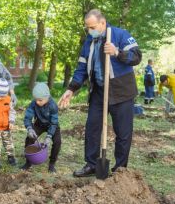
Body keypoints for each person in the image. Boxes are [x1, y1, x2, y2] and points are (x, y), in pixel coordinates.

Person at [58, 9, 142, 177]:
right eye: (87, 28)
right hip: (98, 91)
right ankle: (92, 164)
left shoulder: (120, 34)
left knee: (123, 132)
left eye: (93, 27)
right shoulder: (89, 42)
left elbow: (137, 57)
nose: (90, 31)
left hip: (121, 92)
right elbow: (81, 68)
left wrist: (117, 52)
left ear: (102, 23)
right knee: (92, 128)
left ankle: (120, 169)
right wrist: (71, 89)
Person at [21, 83, 61, 173]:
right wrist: (29, 129)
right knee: (29, 138)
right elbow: (27, 117)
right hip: (39, 123)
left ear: (47, 97)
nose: (37, 102)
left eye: (40, 100)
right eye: (36, 100)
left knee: (58, 142)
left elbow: (54, 122)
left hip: (52, 125)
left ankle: (52, 164)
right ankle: (28, 162)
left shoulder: (53, 105)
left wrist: (49, 136)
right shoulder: (33, 104)